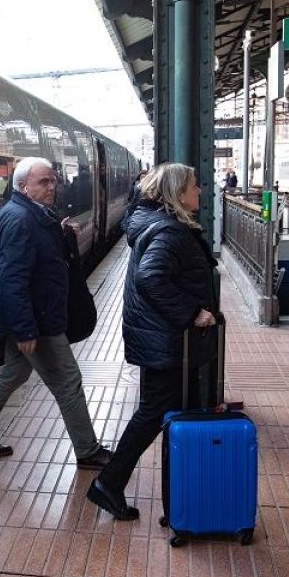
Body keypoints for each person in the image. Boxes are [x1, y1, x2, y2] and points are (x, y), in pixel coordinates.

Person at [86, 163, 217, 520]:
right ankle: (109, 484)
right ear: (178, 192)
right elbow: (151, 278)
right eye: (195, 185)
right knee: (154, 413)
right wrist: (193, 313)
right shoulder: (169, 232)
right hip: (167, 340)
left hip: (163, 338)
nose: (200, 192)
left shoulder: (160, 225)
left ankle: (179, 496)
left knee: (169, 412)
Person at [0, 157, 111, 468]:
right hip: (39, 321)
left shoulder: (31, 214)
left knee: (13, 371)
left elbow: (37, 255)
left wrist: (61, 233)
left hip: (38, 314)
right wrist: (25, 328)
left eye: (53, 180)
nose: (52, 186)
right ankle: (87, 450)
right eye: (44, 182)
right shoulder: (19, 219)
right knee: (68, 381)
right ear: (23, 186)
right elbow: (11, 278)